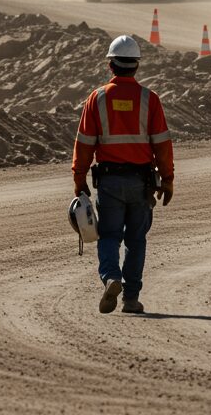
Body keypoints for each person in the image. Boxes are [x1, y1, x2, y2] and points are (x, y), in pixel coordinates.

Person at [72, 35, 175, 314]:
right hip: (142, 184)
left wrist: (79, 180)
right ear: (137, 66)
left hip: (109, 183)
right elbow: (162, 144)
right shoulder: (149, 99)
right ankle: (130, 298)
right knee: (136, 240)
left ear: (110, 65)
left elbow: (84, 144)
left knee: (109, 236)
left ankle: (111, 277)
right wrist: (167, 179)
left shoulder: (97, 98)